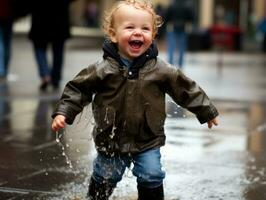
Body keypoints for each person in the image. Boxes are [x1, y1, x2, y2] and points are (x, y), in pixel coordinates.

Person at [51, 0, 219, 199]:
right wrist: (64, 112)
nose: (138, 33)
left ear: (153, 36)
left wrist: (206, 110)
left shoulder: (160, 69)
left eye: (145, 29)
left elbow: (185, 88)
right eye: (130, 27)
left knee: (152, 174)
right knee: (106, 175)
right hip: (111, 140)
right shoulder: (103, 69)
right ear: (113, 34)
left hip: (147, 139)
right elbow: (78, 89)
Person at [28, 0, 74, 91]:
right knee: (58, 51)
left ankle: (45, 75)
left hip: (40, 17)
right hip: (59, 17)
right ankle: (55, 78)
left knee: (39, 48)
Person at [165, 0, 194, 68]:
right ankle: (180, 64)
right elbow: (191, 17)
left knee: (171, 47)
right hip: (183, 27)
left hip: (172, 27)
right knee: (182, 47)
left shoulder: (172, 4)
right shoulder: (187, 4)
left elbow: (167, 16)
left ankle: (170, 64)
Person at [0, 0, 14, 81]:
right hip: (8, 14)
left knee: (3, 43)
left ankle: (1, 70)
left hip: (7, 14)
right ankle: (4, 69)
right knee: (6, 43)